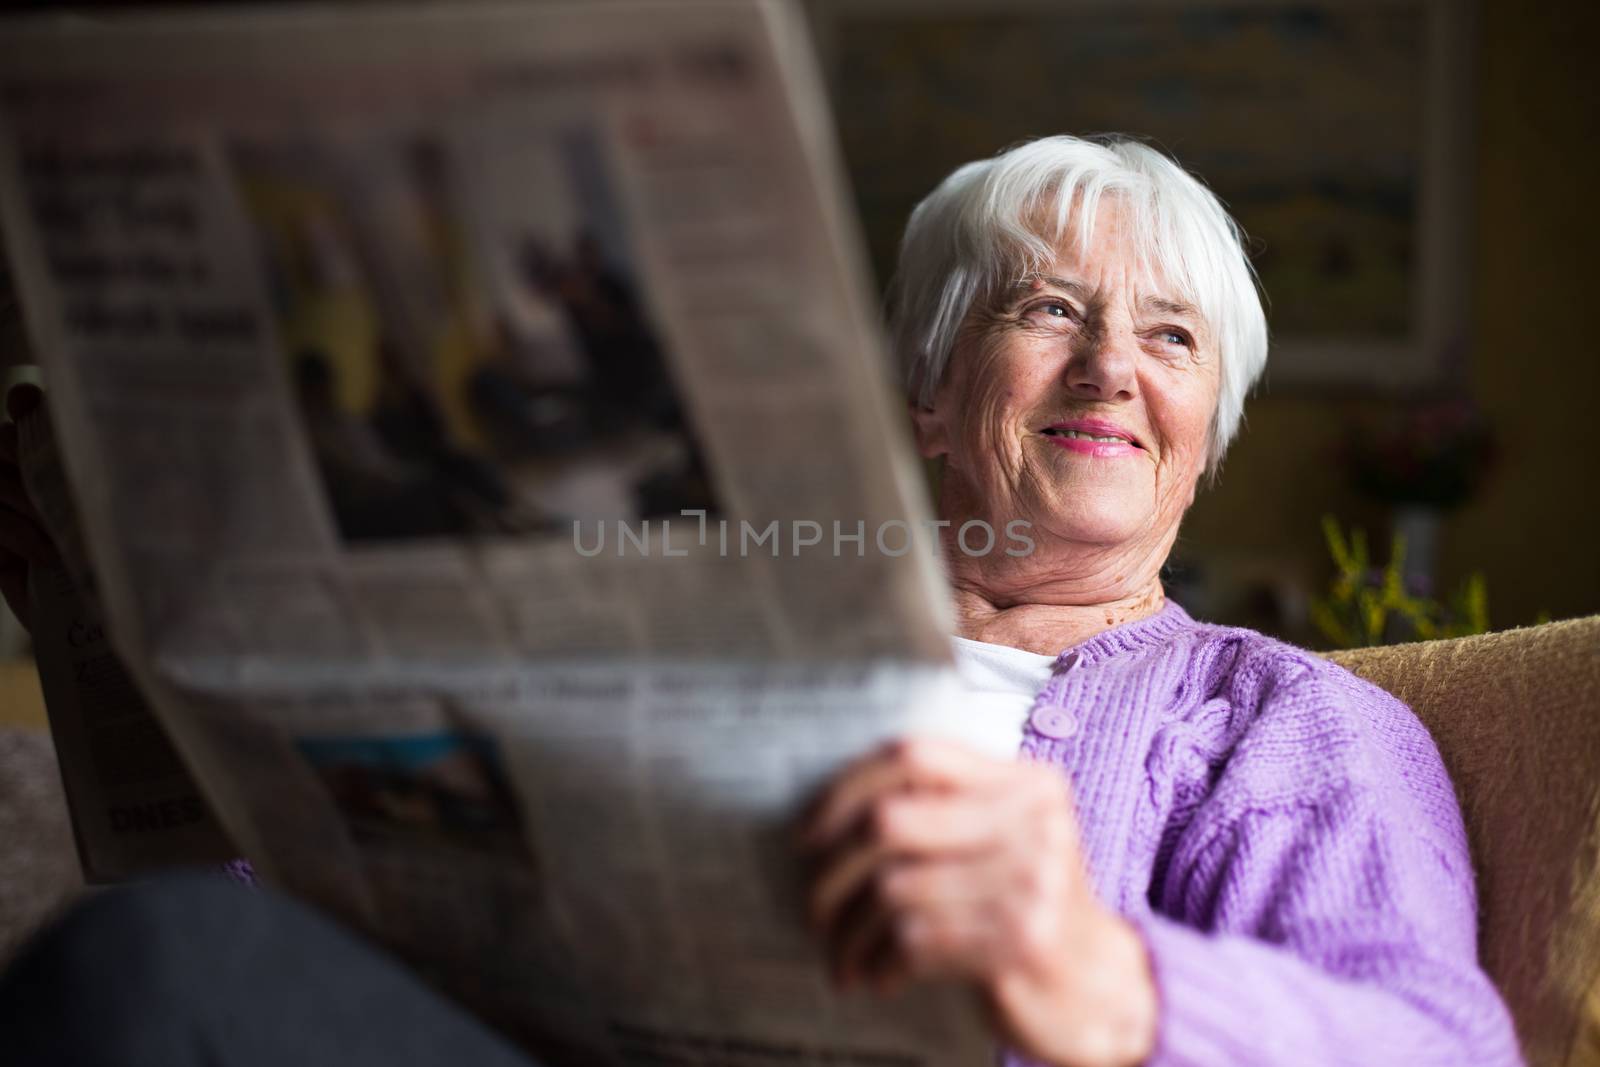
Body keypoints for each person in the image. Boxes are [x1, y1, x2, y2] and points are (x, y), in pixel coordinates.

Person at [0, 135, 1523, 1066]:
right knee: (146, 962)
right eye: (1051, 308)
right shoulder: (707, 632)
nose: (1111, 366)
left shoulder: (1284, 723)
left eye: (1173, 338)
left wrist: (1099, 978)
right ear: (929, 394)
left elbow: (1439, 1050)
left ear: (1207, 429)